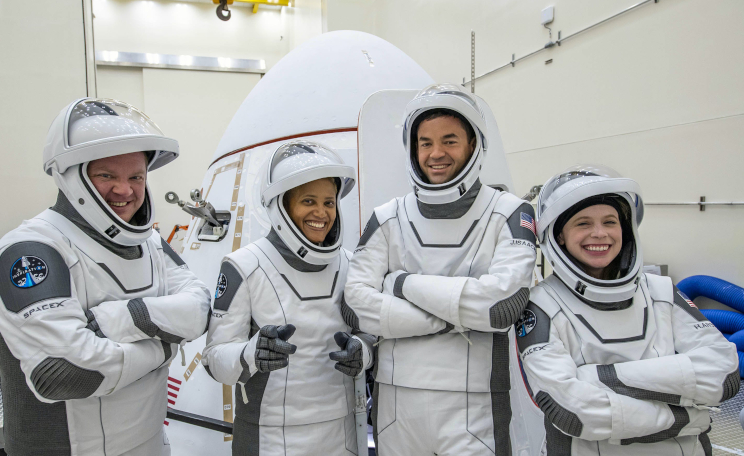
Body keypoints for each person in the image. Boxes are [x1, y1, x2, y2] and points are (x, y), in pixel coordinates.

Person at [0, 98, 211, 456]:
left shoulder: (151, 242)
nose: (125, 190)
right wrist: (166, 344)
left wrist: (122, 319)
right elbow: (64, 372)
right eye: (107, 175)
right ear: (71, 176)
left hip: (151, 443)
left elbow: (199, 308)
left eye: (136, 176)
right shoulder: (32, 250)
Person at [344, 83, 537, 456]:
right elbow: (355, 306)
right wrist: (453, 317)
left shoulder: (510, 213)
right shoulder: (387, 218)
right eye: (425, 142)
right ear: (412, 149)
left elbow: (500, 307)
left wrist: (400, 283)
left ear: (473, 145)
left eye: (449, 140)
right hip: (395, 404)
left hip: (477, 406)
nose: (436, 154)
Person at [516, 165, 740, 455]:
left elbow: (724, 374)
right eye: (583, 223)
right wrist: (686, 418)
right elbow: (573, 412)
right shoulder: (539, 306)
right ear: (559, 236)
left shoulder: (661, 291)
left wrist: (594, 377)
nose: (599, 234)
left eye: (610, 221)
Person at [202, 140, 375, 456]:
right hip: (269, 439)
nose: (321, 213)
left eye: (329, 202)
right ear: (280, 206)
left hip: (343, 434)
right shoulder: (244, 266)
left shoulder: (351, 264)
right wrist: (251, 354)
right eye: (308, 200)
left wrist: (362, 351)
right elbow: (214, 359)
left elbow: (371, 333)